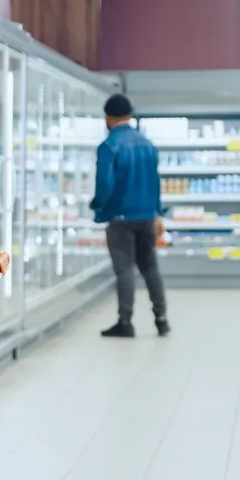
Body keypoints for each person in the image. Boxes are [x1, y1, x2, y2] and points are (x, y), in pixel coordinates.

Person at [91, 94, 170, 338]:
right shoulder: (147, 144)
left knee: (124, 270)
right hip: (147, 215)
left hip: (120, 218)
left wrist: (98, 207)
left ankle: (125, 322)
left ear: (108, 116)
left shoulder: (109, 146)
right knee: (150, 267)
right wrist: (156, 212)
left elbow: (104, 183)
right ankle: (161, 319)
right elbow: (156, 183)